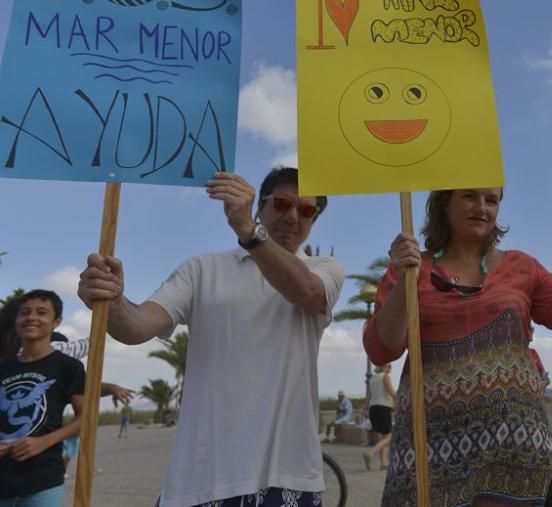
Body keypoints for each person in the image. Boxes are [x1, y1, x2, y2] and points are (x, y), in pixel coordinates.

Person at [78, 168, 344, 507]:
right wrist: (111, 300)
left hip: (287, 475)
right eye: (281, 203)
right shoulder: (202, 269)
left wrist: (248, 230)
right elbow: (137, 326)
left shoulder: (325, 268)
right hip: (199, 480)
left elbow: (306, 292)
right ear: (260, 205)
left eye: (307, 210)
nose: (293, 216)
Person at [364, 188, 552, 506]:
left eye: (492, 200)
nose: (482, 208)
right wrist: (407, 277)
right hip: (431, 453)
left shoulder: (522, 267)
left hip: (513, 454)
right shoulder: (410, 268)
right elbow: (382, 350)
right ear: (444, 202)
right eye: (470, 196)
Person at [0, 290, 85, 506]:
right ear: (17, 319)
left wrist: (43, 442)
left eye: (41, 312)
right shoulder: (3, 368)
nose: (31, 318)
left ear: (56, 321)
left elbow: (86, 418)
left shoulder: (69, 367)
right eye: (25, 312)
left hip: (42, 480)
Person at [363, 363, 395, 471]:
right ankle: (370, 454)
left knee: (384, 436)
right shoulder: (385, 377)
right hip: (383, 408)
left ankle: (383, 463)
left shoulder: (372, 379)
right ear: (383, 366)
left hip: (373, 409)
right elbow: (392, 392)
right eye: (389, 366)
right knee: (390, 437)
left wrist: (365, 409)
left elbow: (369, 396)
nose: (391, 368)